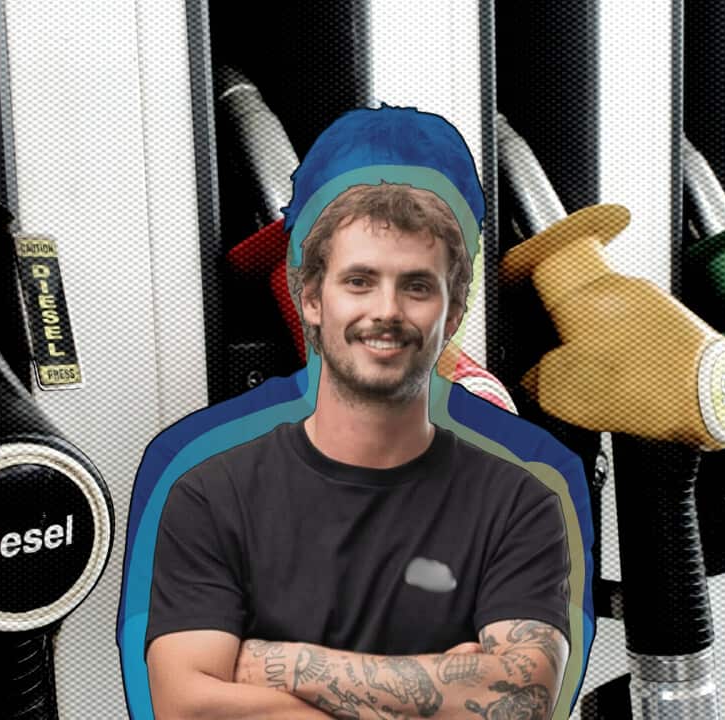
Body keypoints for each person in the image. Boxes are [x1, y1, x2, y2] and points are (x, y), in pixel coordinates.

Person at [145, 106, 571, 719]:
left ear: (452, 317)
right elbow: (188, 708)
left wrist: (278, 666)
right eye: (360, 281)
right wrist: (445, 690)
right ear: (311, 299)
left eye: (417, 286)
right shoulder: (210, 495)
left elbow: (520, 701)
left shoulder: (519, 502)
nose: (387, 311)